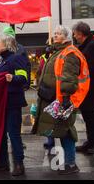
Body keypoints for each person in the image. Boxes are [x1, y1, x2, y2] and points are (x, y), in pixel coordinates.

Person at [34, 26, 90, 175]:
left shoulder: (69, 53)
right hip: (55, 99)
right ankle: (69, 162)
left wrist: (65, 98)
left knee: (66, 131)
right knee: (62, 130)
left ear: (66, 37)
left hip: (64, 100)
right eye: (54, 34)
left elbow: (69, 78)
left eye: (58, 34)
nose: (55, 36)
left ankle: (71, 164)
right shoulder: (58, 51)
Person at [0, 32, 29, 176]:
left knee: (14, 134)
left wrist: (13, 78)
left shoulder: (16, 58)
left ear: (6, 44)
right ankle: (2, 163)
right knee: (1, 134)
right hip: (0, 104)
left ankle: (19, 164)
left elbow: (23, 78)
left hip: (11, 103)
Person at [72, 22, 94, 154]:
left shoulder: (93, 46)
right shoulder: (86, 46)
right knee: (87, 115)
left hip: (91, 88)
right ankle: (91, 141)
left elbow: (93, 67)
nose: (74, 36)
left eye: (75, 33)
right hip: (85, 87)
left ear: (80, 34)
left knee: (93, 115)